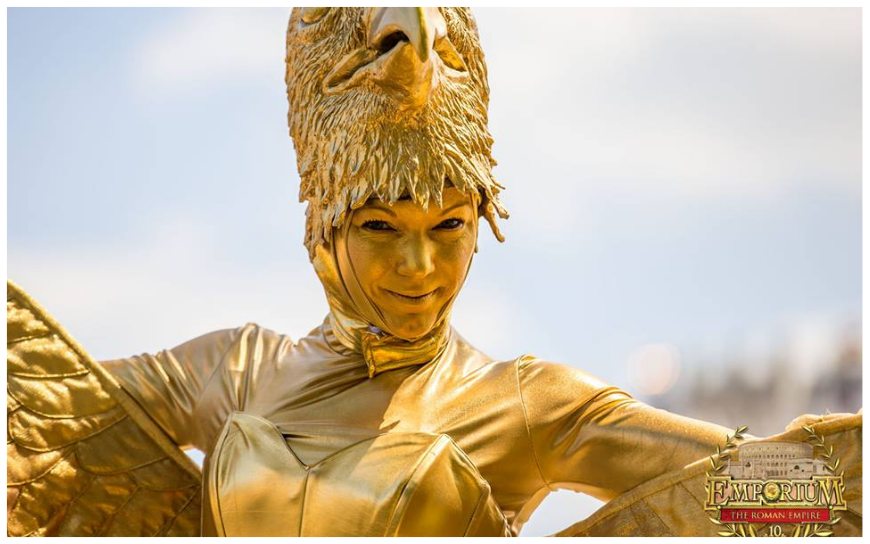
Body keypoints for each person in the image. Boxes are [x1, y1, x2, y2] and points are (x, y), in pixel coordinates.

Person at [7, 7, 857, 537]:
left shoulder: (527, 406)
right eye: (381, 226)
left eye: (449, 225)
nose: (421, 267)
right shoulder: (231, 372)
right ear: (323, 223)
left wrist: (835, 486)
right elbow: (27, 416)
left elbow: (783, 490)